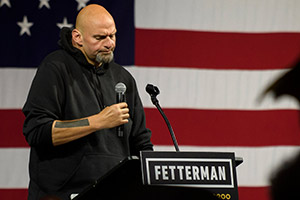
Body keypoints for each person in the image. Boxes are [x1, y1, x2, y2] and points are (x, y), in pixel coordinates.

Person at [22, 4, 153, 200]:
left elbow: (141, 142)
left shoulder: (123, 79)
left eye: (113, 35)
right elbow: (37, 131)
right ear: (77, 38)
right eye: (100, 38)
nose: (109, 43)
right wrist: (98, 122)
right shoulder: (55, 67)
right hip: (62, 194)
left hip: (117, 191)